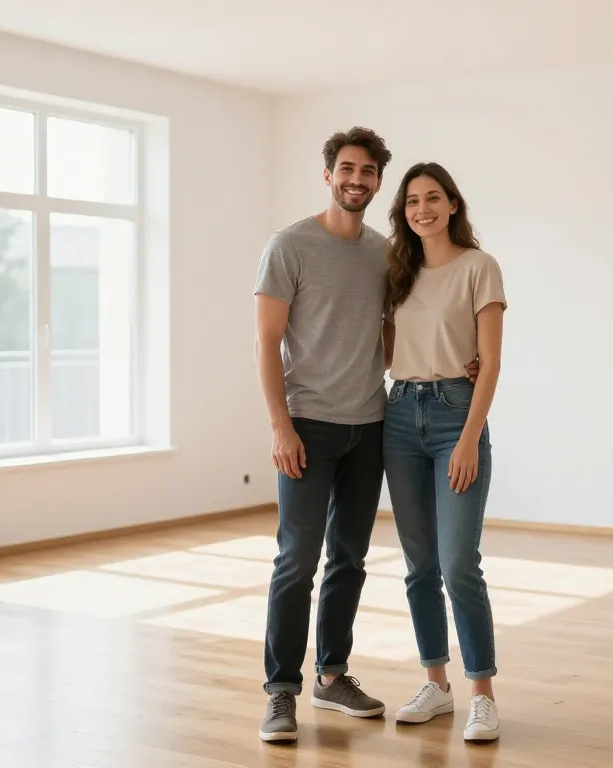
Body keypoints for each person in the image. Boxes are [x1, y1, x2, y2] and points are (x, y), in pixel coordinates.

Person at [253, 127, 482, 744]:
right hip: (307, 427)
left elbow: (399, 330)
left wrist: (459, 358)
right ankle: (281, 692)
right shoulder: (289, 246)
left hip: (373, 424)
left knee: (348, 558)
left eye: (369, 171)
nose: (357, 179)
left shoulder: (386, 254)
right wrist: (281, 426)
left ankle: (331, 676)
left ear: (378, 181)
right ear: (328, 174)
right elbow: (266, 341)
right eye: (347, 168)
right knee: (296, 559)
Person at [381, 162, 506, 742]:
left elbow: (491, 363)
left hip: (457, 412)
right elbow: (386, 349)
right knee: (419, 565)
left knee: (459, 563)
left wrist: (468, 439)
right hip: (400, 414)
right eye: (411, 201)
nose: (422, 209)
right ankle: (436, 683)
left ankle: (482, 692)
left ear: (453, 204)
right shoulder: (396, 271)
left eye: (433, 198)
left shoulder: (480, 268)